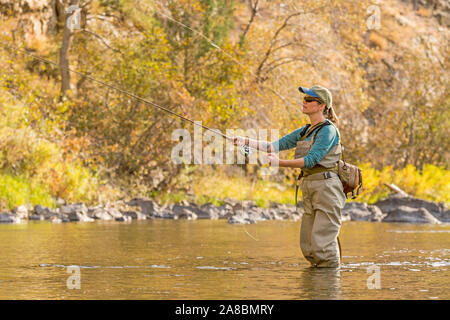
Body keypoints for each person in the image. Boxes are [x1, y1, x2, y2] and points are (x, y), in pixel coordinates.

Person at [233, 85, 346, 268]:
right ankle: (314, 287)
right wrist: (244, 141)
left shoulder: (328, 130)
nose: (304, 102)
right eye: (304, 98)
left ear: (321, 105)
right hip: (310, 186)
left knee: (322, 245)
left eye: (309, 99)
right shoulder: (305, 130)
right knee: (309, 246)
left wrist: (280, 163)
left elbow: (312, 159)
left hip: (327, 187)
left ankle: (330, 287)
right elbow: (272, 146)